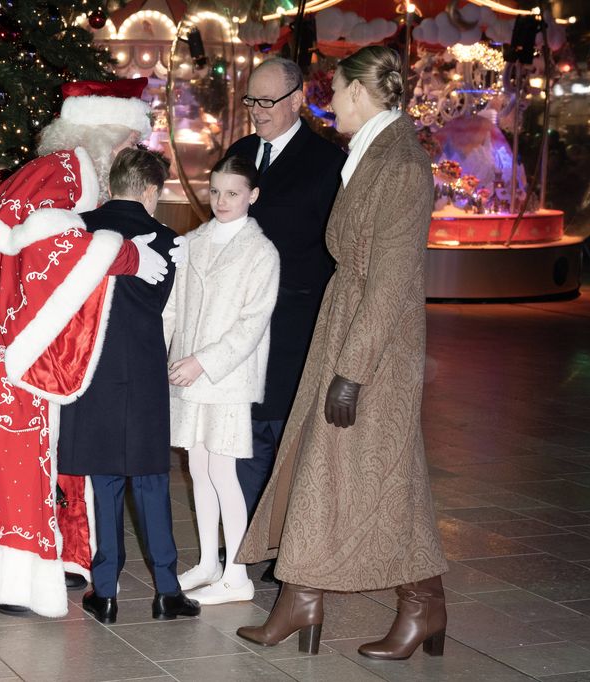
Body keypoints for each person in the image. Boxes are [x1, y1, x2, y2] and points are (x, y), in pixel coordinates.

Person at [0, 78, 180, 617]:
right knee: (17, 452)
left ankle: (52, 559)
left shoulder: (69, 175)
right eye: (128, 145)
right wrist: (126, 256)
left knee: (38, 451)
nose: (131, 157)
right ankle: (11, 577)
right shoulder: (63, 175)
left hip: (4, 329)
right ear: (104, 136)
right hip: (10, 338)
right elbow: (55, 256)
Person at [237, 46, 448, 659]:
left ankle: (417, 603)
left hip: (376, 341)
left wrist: (353, 372)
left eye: (335, 90)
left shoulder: (403, 165)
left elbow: (390, 280)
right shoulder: (371, 154)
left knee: (373, 469)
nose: (329, 102)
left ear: (361, 91)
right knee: (334, 462)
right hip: (344, 322)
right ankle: (306, 597)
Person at [54, 147, 200, 624]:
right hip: (143, 370)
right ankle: (167, 590)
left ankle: (107, 591)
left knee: (105, 482)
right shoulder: (168, 240)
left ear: (113, 181)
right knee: (152, 482)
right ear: (152, 190)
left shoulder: (80, 227)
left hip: (90, 368)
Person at [223, 58, 347, 556]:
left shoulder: (327, 162)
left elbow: (338, 246)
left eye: (268, 101)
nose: (257, 111)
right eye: (251, 100)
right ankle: (244, 544)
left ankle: (290, 550)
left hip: (296, 321)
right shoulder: (239, 153)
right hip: (239, 322)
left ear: (298, 99)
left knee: (287, 436)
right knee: (244, 434)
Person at [164, 156, 279, 606]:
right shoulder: (192, 242)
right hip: (188, 375)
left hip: (225, 377)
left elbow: (252, 323)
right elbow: (172, 308)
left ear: (252, 195)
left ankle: (237, 573)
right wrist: (161, 352)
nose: (222, 201)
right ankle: (210, 563)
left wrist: (204, 362)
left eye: (233, 193)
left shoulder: (260, 252)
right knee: (197, 467)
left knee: (222, 469)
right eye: (215, 192)